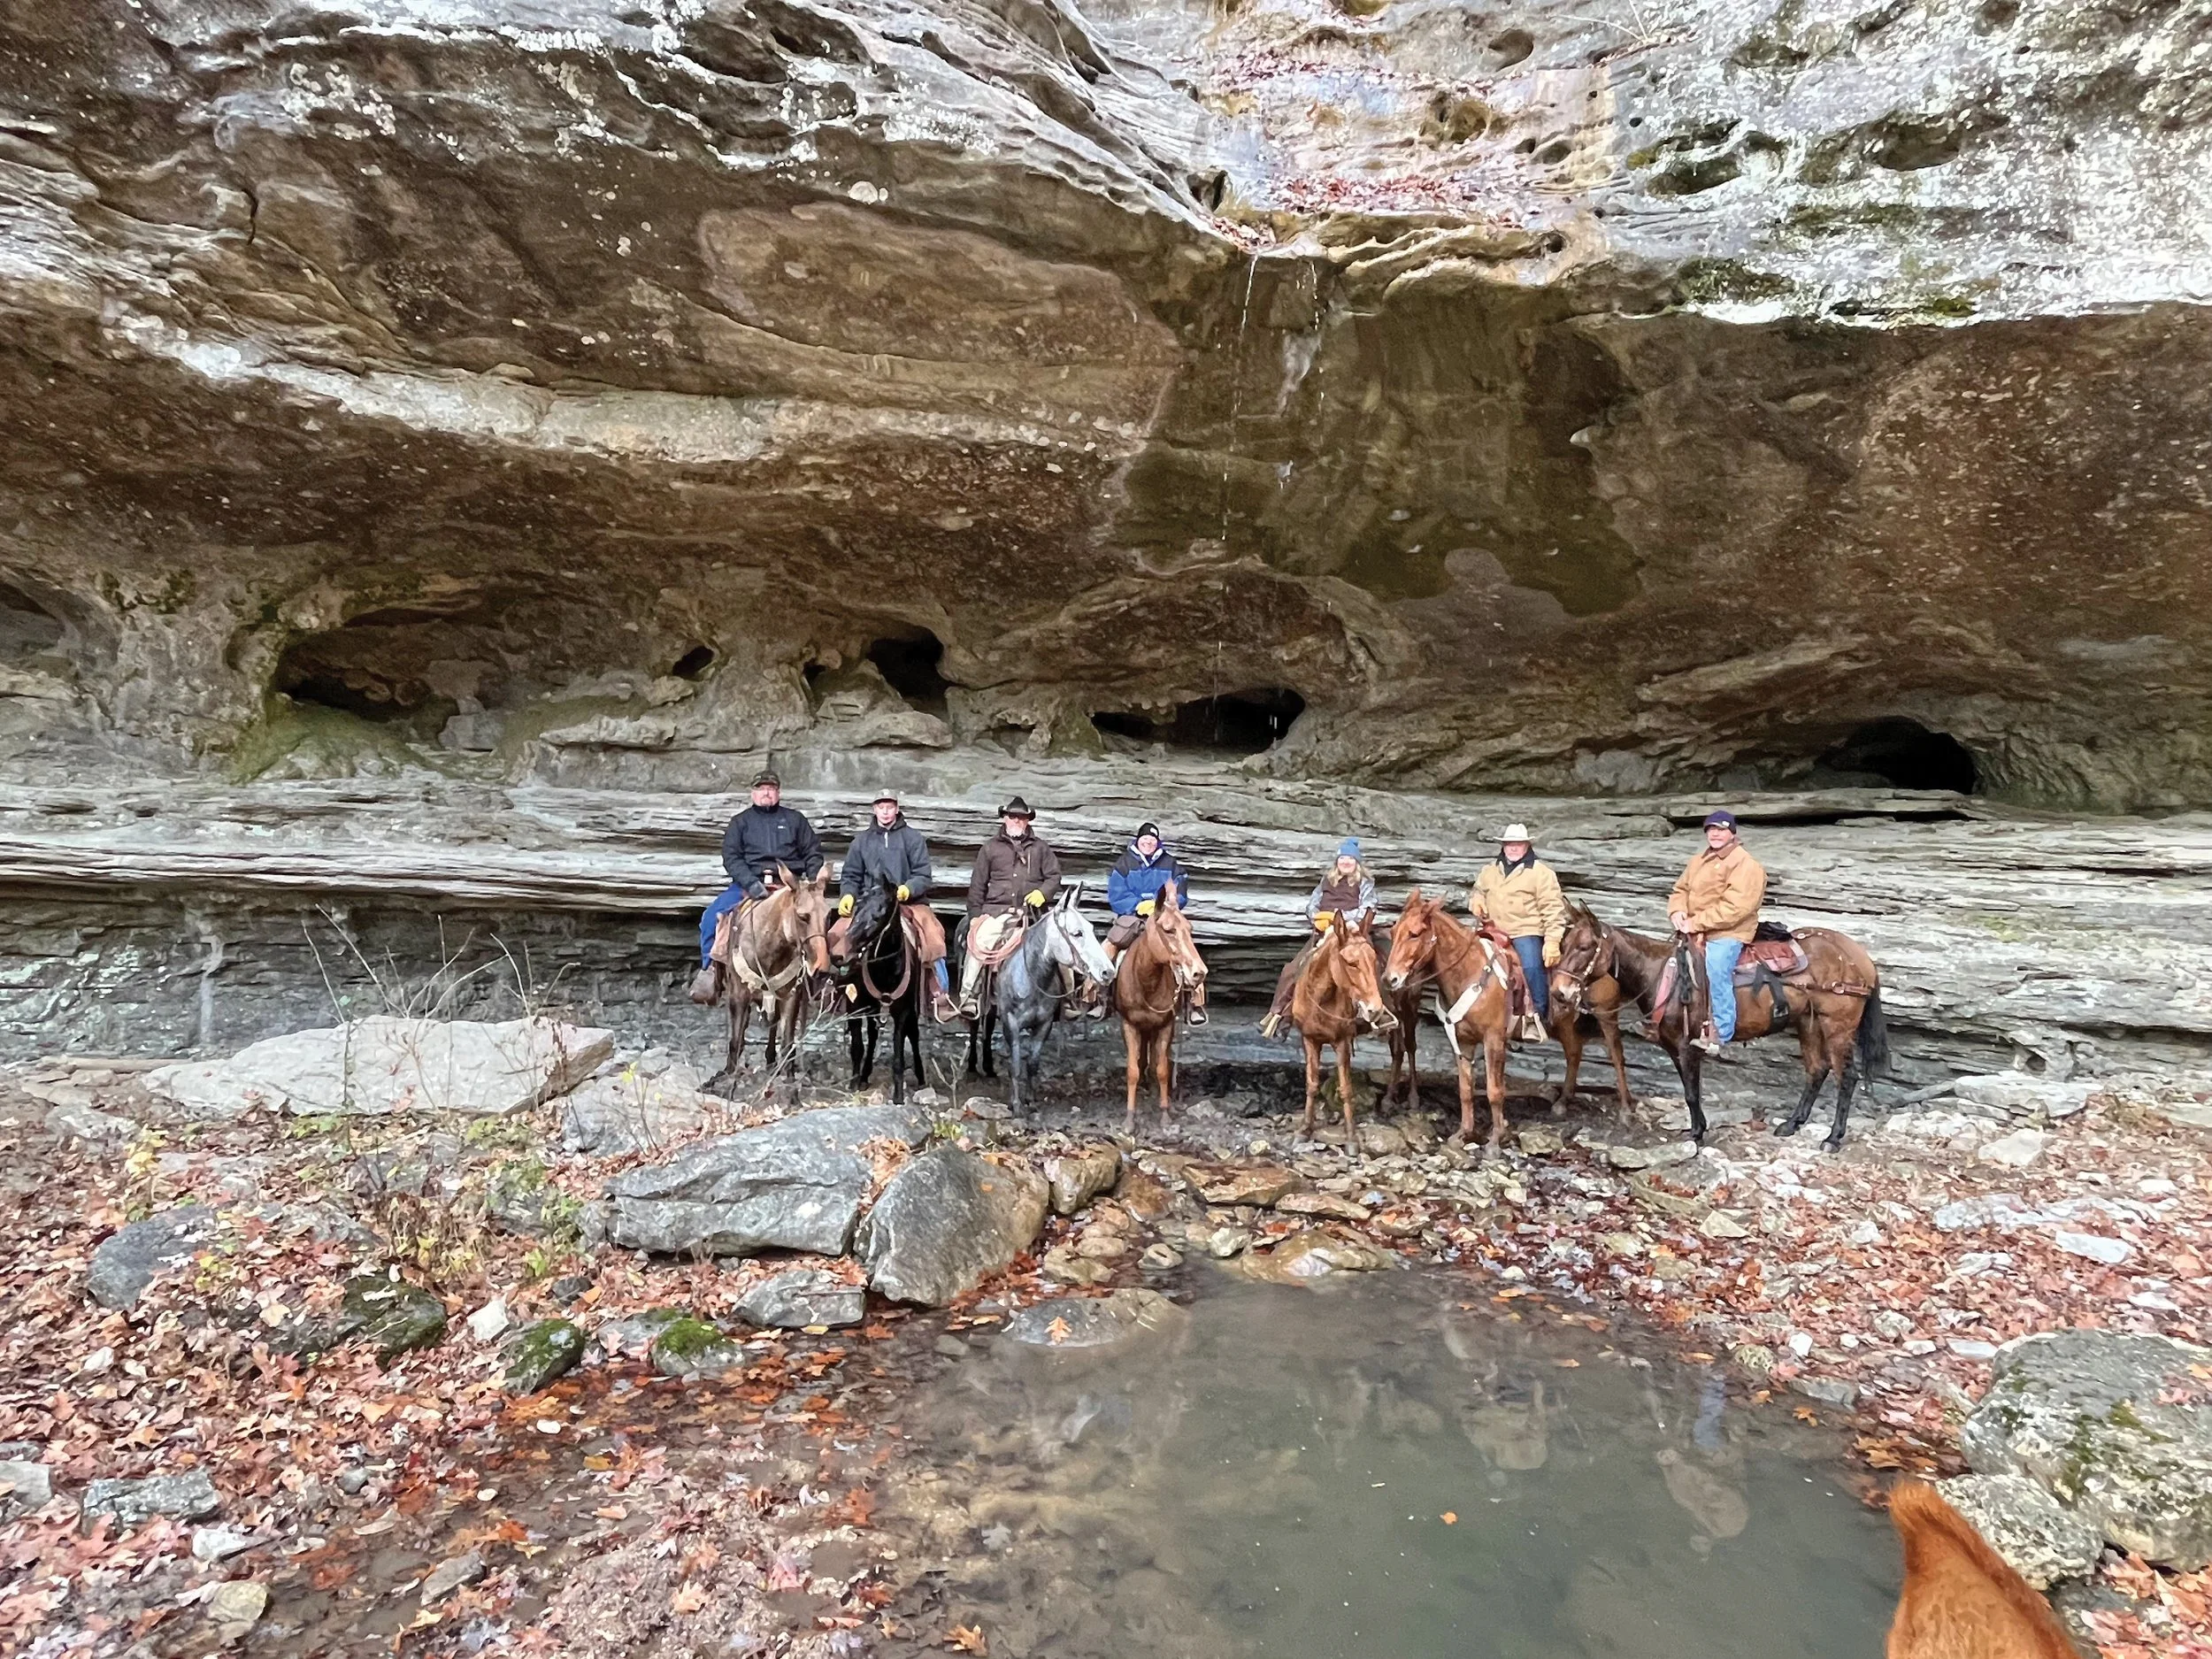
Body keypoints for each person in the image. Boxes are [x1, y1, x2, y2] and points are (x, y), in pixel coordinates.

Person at [691, 771, 824, 1003]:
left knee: (817, 918)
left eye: (771, 788)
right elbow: (731, 858)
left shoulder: (795, 821)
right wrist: (751, 883)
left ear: (778, 792)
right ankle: (710, 970)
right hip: (748, 885)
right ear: (753, 793)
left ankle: (822, 976)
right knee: (711, 918)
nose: (766, 792)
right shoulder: (740, 823)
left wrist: (810, 885)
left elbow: (813, 853)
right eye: (762, 789)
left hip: (789, 887)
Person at [839, 788, 958, 1023]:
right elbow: (851, 875)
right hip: (870, 905)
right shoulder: (861, 841)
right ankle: (833, 988)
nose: (885, 811)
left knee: (933, 936)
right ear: (874, 809)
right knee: (836, 935)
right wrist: (848, 895)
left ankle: (940, 995)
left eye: (890, 806)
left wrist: (908, 889)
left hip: (909, 903)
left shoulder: (913, 838)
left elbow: (923, 875)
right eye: (881, 807)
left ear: (897, 808)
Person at [1668, 809, 1767, 1052]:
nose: (1715, 834)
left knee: (1716, 968)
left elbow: (1736, 908)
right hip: (1694, 928)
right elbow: (1680, 889)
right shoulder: (1698, 860)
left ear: (1732, 833)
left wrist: (1696, 923)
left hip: (1729, 933)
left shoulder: (1746, 865)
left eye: (1721, 829)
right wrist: (1677, 911)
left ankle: (1721, 1031)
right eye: (1711, 829)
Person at [956, 797, 1064, 1018]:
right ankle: (970, 997)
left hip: (1033, 914)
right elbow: (977, 885)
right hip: (997, 911)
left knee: (1064, 943)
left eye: (1021, 817)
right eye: (1012, 816)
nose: (1016, 821)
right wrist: (976, 916)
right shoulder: (990, 848)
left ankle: (1068, 999)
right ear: (1005, 819)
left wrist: (1042, 893)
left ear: (1027, 821)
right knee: (978, 944)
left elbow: (1054, 876)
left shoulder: (1041, 848)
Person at [1261, 838, 1375, 1039]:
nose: (1346, 862)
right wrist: (1318, 918)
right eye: (1342, 858)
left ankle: (1380, 1015)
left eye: (1350, 858)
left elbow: (1368, 907)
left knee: (1370, 967)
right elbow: (1312, 905)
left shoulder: (1365, 883)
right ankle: (1279, 1015)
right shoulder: (1326, 881)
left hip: (1352, 935)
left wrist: (1341, 919)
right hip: (1323, 934)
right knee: (1292, 970)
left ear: (1357, 862)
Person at [1467, 822, 1568, 1034]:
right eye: (1509, 844)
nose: (1512, 848)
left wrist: (1552, 941)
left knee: (1531, 967)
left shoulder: (1542, 873)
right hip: (1492, 930)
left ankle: (1538, 1016)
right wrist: (1476, 900)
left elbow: (1553, 910)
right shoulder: (1490, 871)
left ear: (1527, 846)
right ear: (1503, 846)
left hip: (1525, 931)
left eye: (1517, 844)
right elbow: (1478, 890)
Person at [1104, 820, 1205, 1025]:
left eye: (1152, 841)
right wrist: (1137, 905)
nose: (1148, 843)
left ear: (1158, 843)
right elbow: (1116, 893)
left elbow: (1180, 891)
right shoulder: (1124, 863)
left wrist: (1166, 906)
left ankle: (1195, 1003)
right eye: (1145, 840)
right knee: (1108, 947)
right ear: (1138, 841)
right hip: (1132, 917)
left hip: (1164, 917)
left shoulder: (1171, 864)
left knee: (1186, 949)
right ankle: (1097, 997)